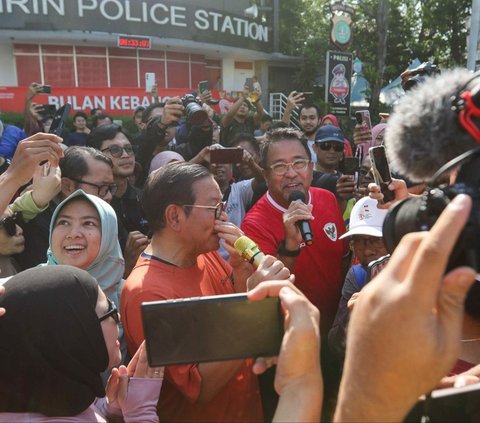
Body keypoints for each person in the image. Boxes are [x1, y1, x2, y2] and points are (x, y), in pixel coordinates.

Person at [121, 162, 269, 422]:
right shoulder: (146, 292)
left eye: (223, 207)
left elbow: (229, 313)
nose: (224, 217)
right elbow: (200, 387)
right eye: (215, 208)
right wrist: (252, 306)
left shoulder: (206, 253)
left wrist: (242, 272)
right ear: (175, 216)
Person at [0, 265, 163, 422]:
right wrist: (140, 414)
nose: (118, 317)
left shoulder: (45, 396)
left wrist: (107, 411)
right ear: (72, 335)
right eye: (109, 310)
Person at [14, 146, 117, 270]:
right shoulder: (37, 227)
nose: (108, 196)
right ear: (68, 186)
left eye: (110, 188)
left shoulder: (108, 216)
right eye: (102, 188)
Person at [328, 196, 388, 361]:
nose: (367, 250)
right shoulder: (358, 276)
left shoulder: (417, 272)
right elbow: (335, 345)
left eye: (376, 241)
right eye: (359, 242)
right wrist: (352, 316)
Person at [88, 124, 150, 276]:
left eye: (129, 149)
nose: (125, 155)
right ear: (96, 155)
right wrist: (127, 261)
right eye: (115, 150)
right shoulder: (92, 205)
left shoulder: (147, 198)